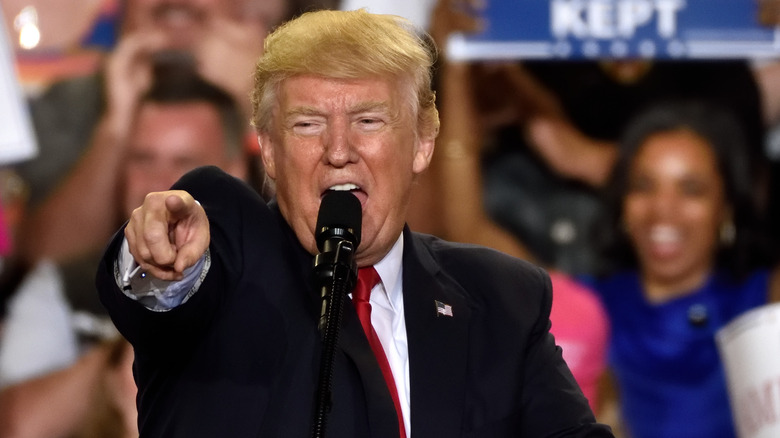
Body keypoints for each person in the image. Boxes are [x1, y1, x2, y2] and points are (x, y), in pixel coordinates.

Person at [96, 9, 614, 437]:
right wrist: (162, 264)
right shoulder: (230, 250)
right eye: (308, 124)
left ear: (422, 143)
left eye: (368, 121)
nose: (338, 151)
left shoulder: (501, 299)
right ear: (271, 152)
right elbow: (162, 297)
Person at [0, 65, 254, 438]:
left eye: (185, 164)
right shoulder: (69, 285)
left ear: (235, 171)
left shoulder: (274, 275)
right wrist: (142, 332)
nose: (159, 185)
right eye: (143, 159)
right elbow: (13, 425)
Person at [584, 101, 780, 438]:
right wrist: (459, 65)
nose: (663, 208)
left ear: (726, 208)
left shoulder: (763, 298)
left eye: (691, 189)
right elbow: (474, 237)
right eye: (644, 185)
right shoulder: (589, 303)